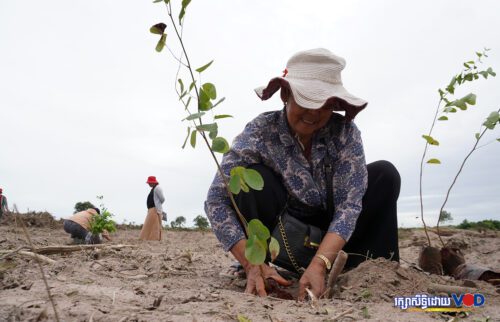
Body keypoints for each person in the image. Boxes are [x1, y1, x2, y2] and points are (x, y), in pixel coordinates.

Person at [205, 48, 401, 300]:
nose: (314, 113)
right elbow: (216, 200)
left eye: (324, 104)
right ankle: (263, 270)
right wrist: (249, 262)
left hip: (338, 240)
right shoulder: (261, 131)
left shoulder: (345, 133)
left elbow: (349, 207)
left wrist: (320, 263)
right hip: (285, 239)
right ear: (285, 94)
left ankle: (373, 270)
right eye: (306, 101)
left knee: (384, 174)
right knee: (248, 179)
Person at [139, 176, 166, 241]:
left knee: (154, 225)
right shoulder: (154, 188)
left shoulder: (157, 188)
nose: (148, 184)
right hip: (151, 209)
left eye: (149, 183)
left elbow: (162, 199)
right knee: (150, 224)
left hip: (155, 209)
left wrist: (157, 205)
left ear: (153, 182)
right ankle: (148, 238)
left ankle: (154, 238)